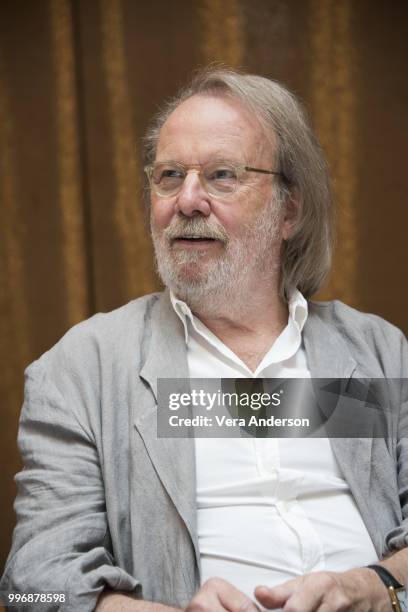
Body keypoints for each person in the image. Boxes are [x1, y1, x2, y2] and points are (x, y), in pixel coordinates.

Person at [1, 67, 408, 612]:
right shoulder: (83, 369)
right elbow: (32, 587)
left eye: (222, 175)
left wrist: (374, 587)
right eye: (169, 175)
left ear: (290, 209)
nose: (187, 200)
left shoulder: (377, 353)